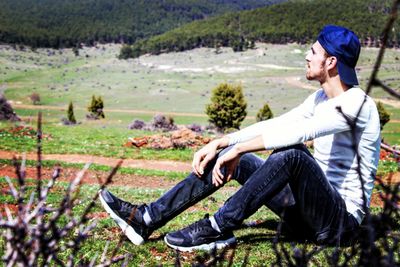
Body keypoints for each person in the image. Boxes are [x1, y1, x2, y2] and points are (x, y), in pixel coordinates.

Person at [99, 25, 380, 252]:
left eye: (313, 51)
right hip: (306, 214)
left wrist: (238, 148)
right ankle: (146, 219)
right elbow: (279, 123)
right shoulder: (319, 98)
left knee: (292, 153)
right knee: (241, 155)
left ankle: (217, 227)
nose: (307, 56)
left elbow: (299, 133)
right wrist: (222, 143)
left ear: (331, 62)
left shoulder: (357, 105)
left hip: (340, 224)